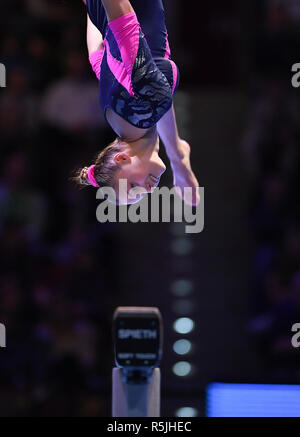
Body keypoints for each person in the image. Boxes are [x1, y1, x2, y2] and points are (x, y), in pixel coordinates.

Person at [77, 0, 199, 205]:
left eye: (134, 187)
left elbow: (124, 27)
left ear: (122, 158)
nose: (149, 191)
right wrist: (177, 158)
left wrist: (178, 156)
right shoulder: (121, 115)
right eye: (141, 196)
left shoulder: (142, 106)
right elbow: (96, 54)